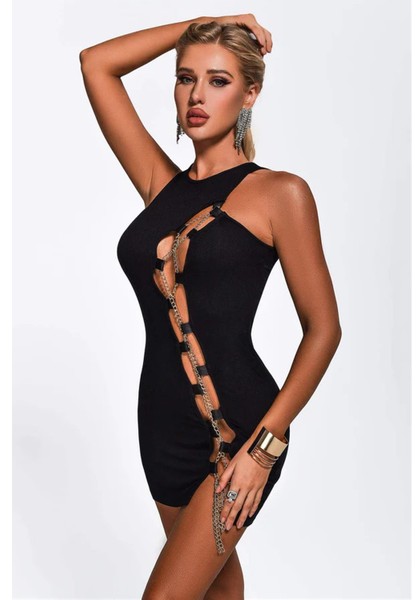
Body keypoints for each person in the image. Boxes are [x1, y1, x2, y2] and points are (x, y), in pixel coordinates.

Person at [80, 13, 342, 599]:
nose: (197, 95)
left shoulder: (280, 193)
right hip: (160, 427)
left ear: (250, 93)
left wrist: (264, 449)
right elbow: (96, 64)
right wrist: (206, 25)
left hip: (240, 430)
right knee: (216, 593)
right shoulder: (161, 185)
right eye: (185, 78)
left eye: (219, 81)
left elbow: (324, 329)